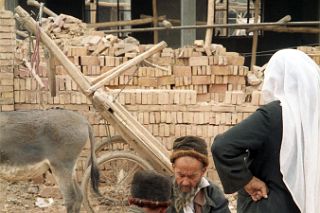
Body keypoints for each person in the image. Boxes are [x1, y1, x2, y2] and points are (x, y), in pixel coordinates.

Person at [211, 49, 320, 213]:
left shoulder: (273, 115)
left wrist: (247, 180)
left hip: (269, 203)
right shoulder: (314, 116)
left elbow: (223, 146)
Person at [166, 136, 231, 213]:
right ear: (173, 168)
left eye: (192, 176)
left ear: (203, 171)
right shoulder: (161, 191)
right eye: (181, 175)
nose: (185, 182)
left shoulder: (213, 194)